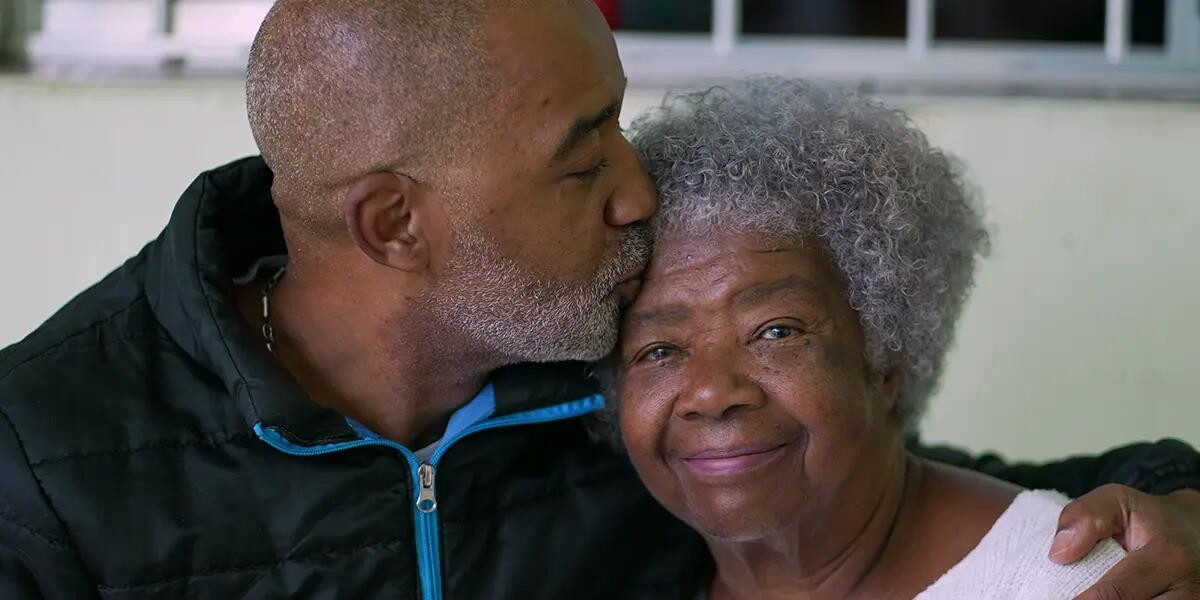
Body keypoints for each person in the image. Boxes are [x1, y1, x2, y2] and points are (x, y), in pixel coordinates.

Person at [0, 1, 1197, 598]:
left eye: (620, 124)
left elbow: (895, 475)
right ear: (393, 224)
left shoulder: (612, 369)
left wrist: (1180, 500)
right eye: (582, 159)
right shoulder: (43, 462)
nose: (640, 193)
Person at [611, 77, 1200, 599]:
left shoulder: (1069, 581)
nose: (711, 392)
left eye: (775, 331)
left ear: (886, 358)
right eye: (658, 350)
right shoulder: (632, 571)